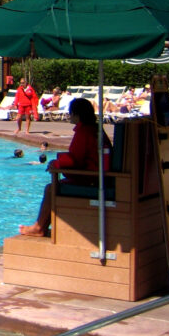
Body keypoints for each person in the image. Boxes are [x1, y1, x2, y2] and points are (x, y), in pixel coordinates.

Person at [20, 98, 109, 236]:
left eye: (70, 113)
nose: (69, 115)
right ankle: (41, 226)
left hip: (92, 180)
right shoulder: (96, 129)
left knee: (50, 188)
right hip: (100, 176)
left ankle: (39, 227)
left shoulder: (84, 132)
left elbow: (75, 161)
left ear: (77, 115)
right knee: (53, 184)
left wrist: (56, 164)